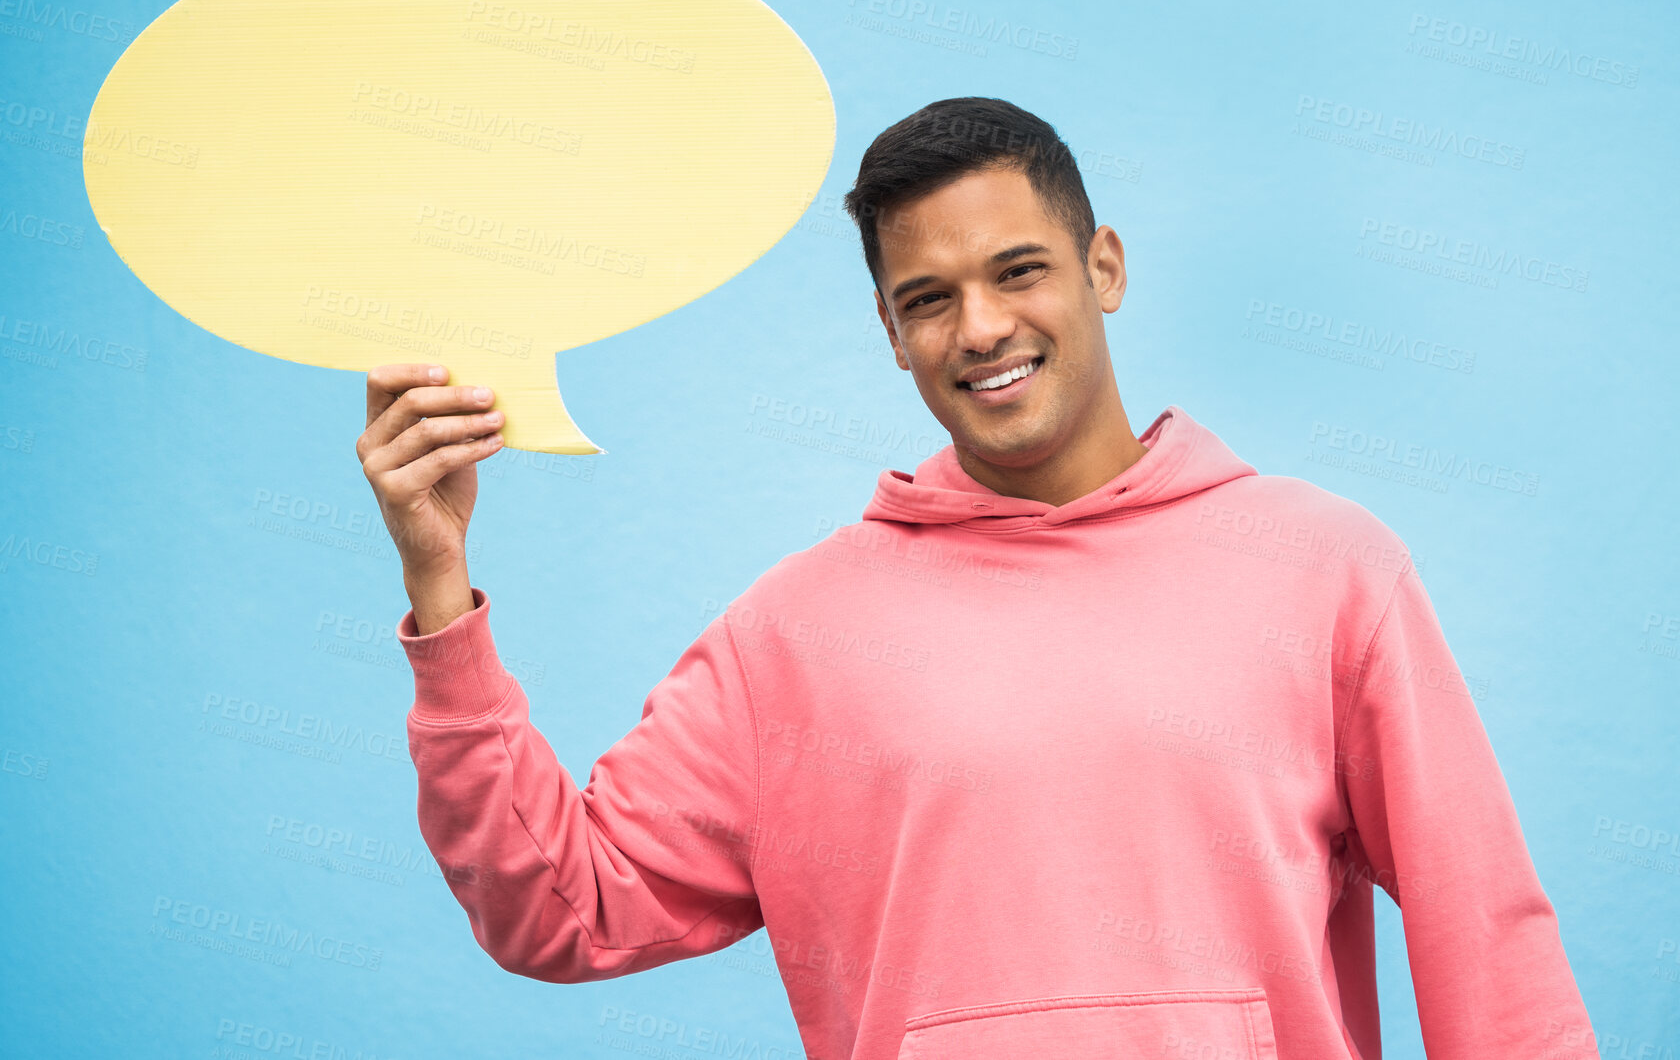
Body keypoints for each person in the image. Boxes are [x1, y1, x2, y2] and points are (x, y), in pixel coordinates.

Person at [356, 98, 1600, 1060]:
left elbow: (1483, 937)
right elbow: (562, 906)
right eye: (929, 299)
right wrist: (442, 591)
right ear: (891, 336)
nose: (982, 329)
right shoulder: (792, 637)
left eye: (1019, 271)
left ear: (1102, 266)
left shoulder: (1325, 567)